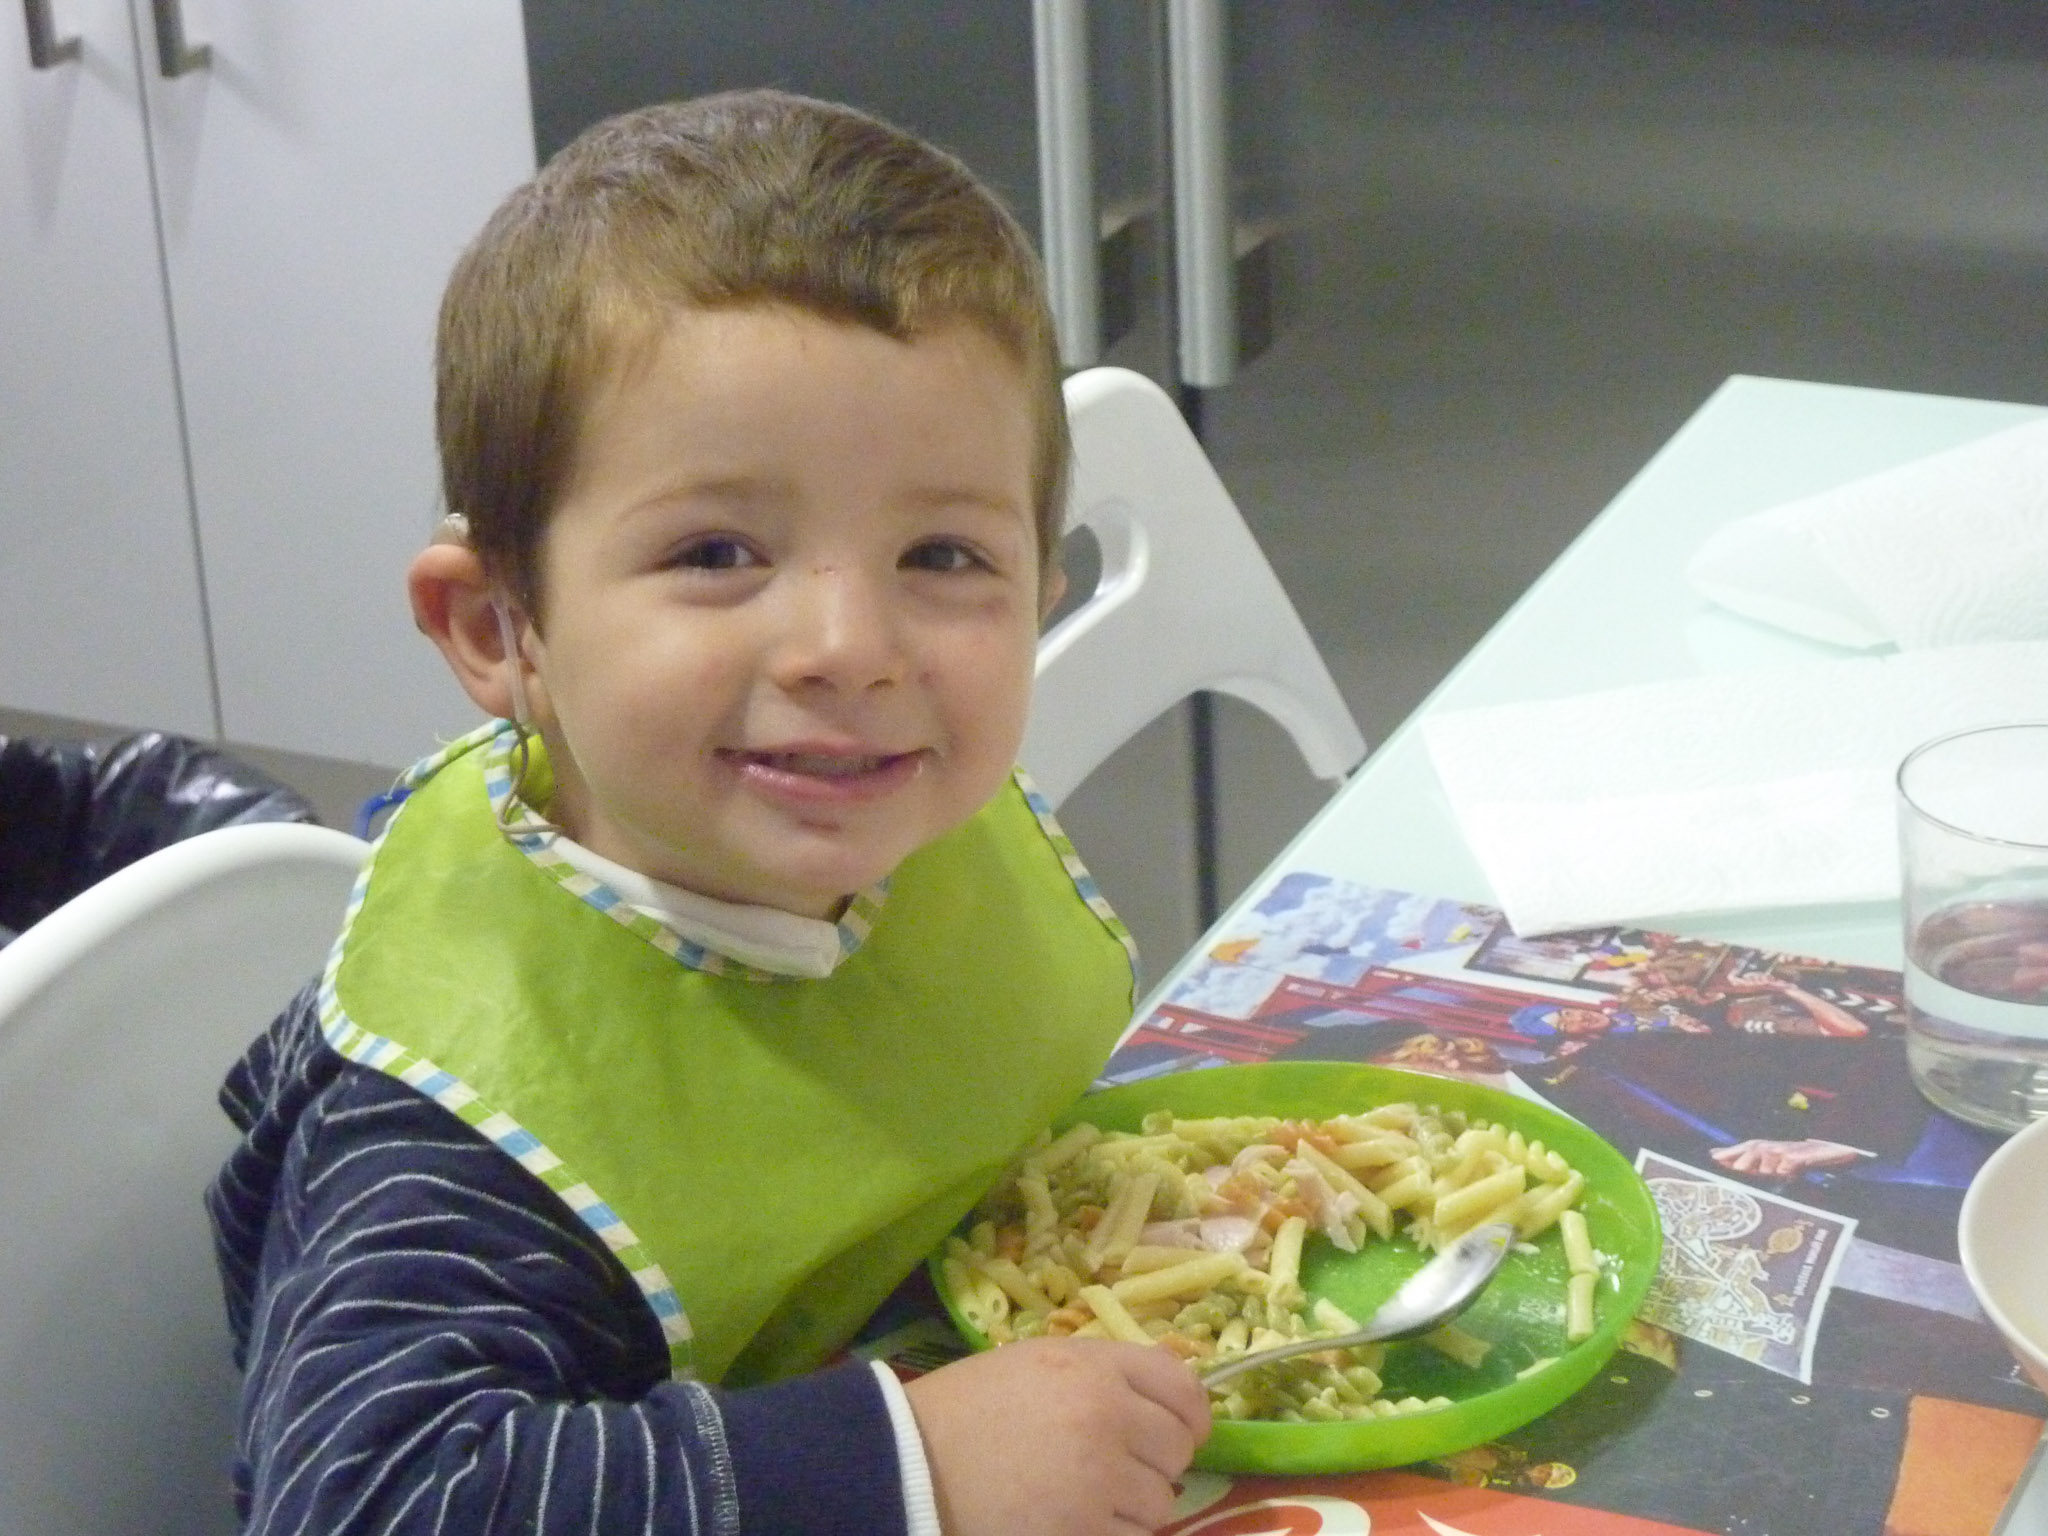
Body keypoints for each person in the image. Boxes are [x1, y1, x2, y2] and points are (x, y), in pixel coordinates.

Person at [206, 90, 1209, 1536]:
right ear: (498, 626)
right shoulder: (463, 1135)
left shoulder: (888, 840)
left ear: (1038, 594)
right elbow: (368, 1505)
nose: (848, 644)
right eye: (718, 550)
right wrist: (908, 1467)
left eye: (942, 553)